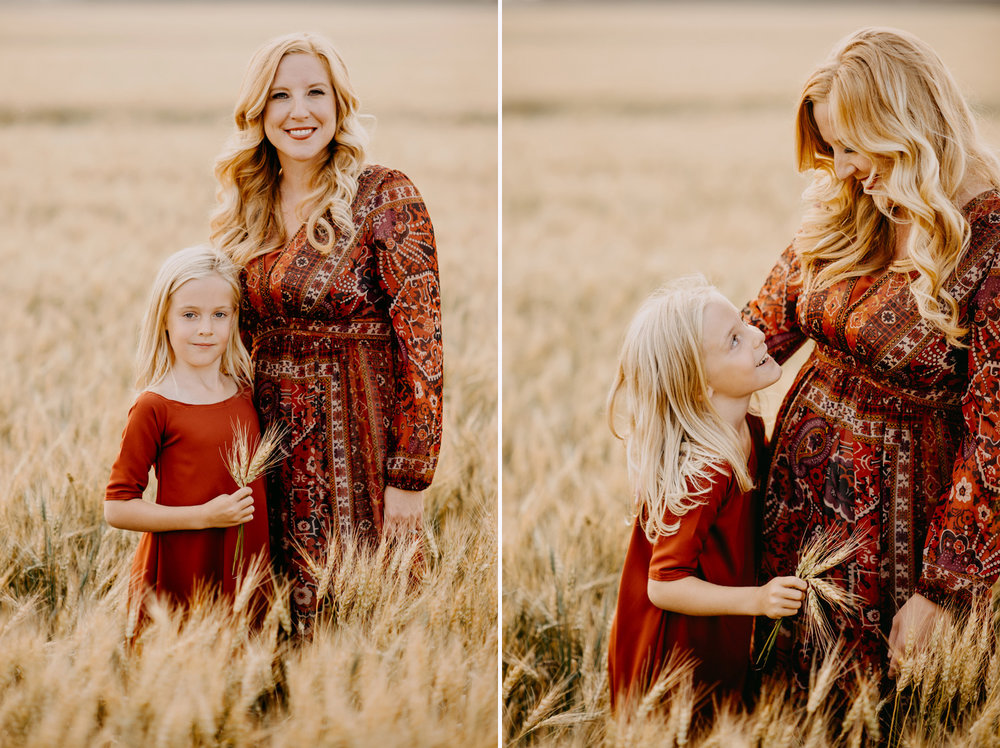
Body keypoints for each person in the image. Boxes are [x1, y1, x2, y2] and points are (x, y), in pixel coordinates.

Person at [744, 27, 1000, 685]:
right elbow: (757, 329)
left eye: (853, 146)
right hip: (791, 534)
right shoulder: (851, 204)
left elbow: (993, 443)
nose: (844, 166)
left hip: (899, 554)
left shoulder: (990, 243)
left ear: (904, 125)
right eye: (832, 148)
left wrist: (942, 593)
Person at [210, 32, 444, 630]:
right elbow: (220, 335)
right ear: (258, 112)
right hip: (264, 453)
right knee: (270, 627)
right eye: (280, 95)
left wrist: (410, 479)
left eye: (316, 92)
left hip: (362, 461)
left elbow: (423, 348)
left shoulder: (386, 196)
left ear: (339, 105)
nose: (299, 110)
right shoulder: (247, 206)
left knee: (366, 625)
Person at [606, 276, 806, 709]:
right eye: (734, 340)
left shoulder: (749, 429)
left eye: (744, 324)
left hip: (719, 626)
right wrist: (758, 600)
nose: (757, 334)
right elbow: (664, 585)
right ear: (699, 385)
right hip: (674, 650)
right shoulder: (706, 469)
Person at [105, 245, 271, 639]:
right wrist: (203, 517)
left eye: (220, 315)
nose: (206, 329)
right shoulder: (155, 405)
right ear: (164, 318)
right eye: (190, 315)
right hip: (180, 573)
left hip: (244, 570)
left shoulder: (248, 392)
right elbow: (117, 507)